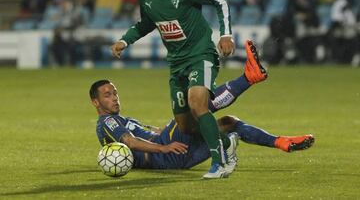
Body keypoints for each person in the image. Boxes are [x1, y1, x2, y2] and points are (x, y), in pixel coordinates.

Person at [110, 0, 267, 178]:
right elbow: (146, 23)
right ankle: (225, 142)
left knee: (197, 103)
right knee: (186, 125)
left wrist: (225, 34)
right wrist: (125, 40)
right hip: (176, 64)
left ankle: (220, 163)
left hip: (200, 55)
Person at [91, 72, 314, 176]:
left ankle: (281, 142)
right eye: (108, 95)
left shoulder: (122, 119)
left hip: (178, 157)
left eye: (116, 93)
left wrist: (160, 133)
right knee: (194, 107)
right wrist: (163, 145)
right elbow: (130, 141)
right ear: (96, 102)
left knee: (229, 122)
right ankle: (247, 78)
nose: (115, 98)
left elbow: (139, 133)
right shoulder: (107, 121)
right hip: (166, 153)